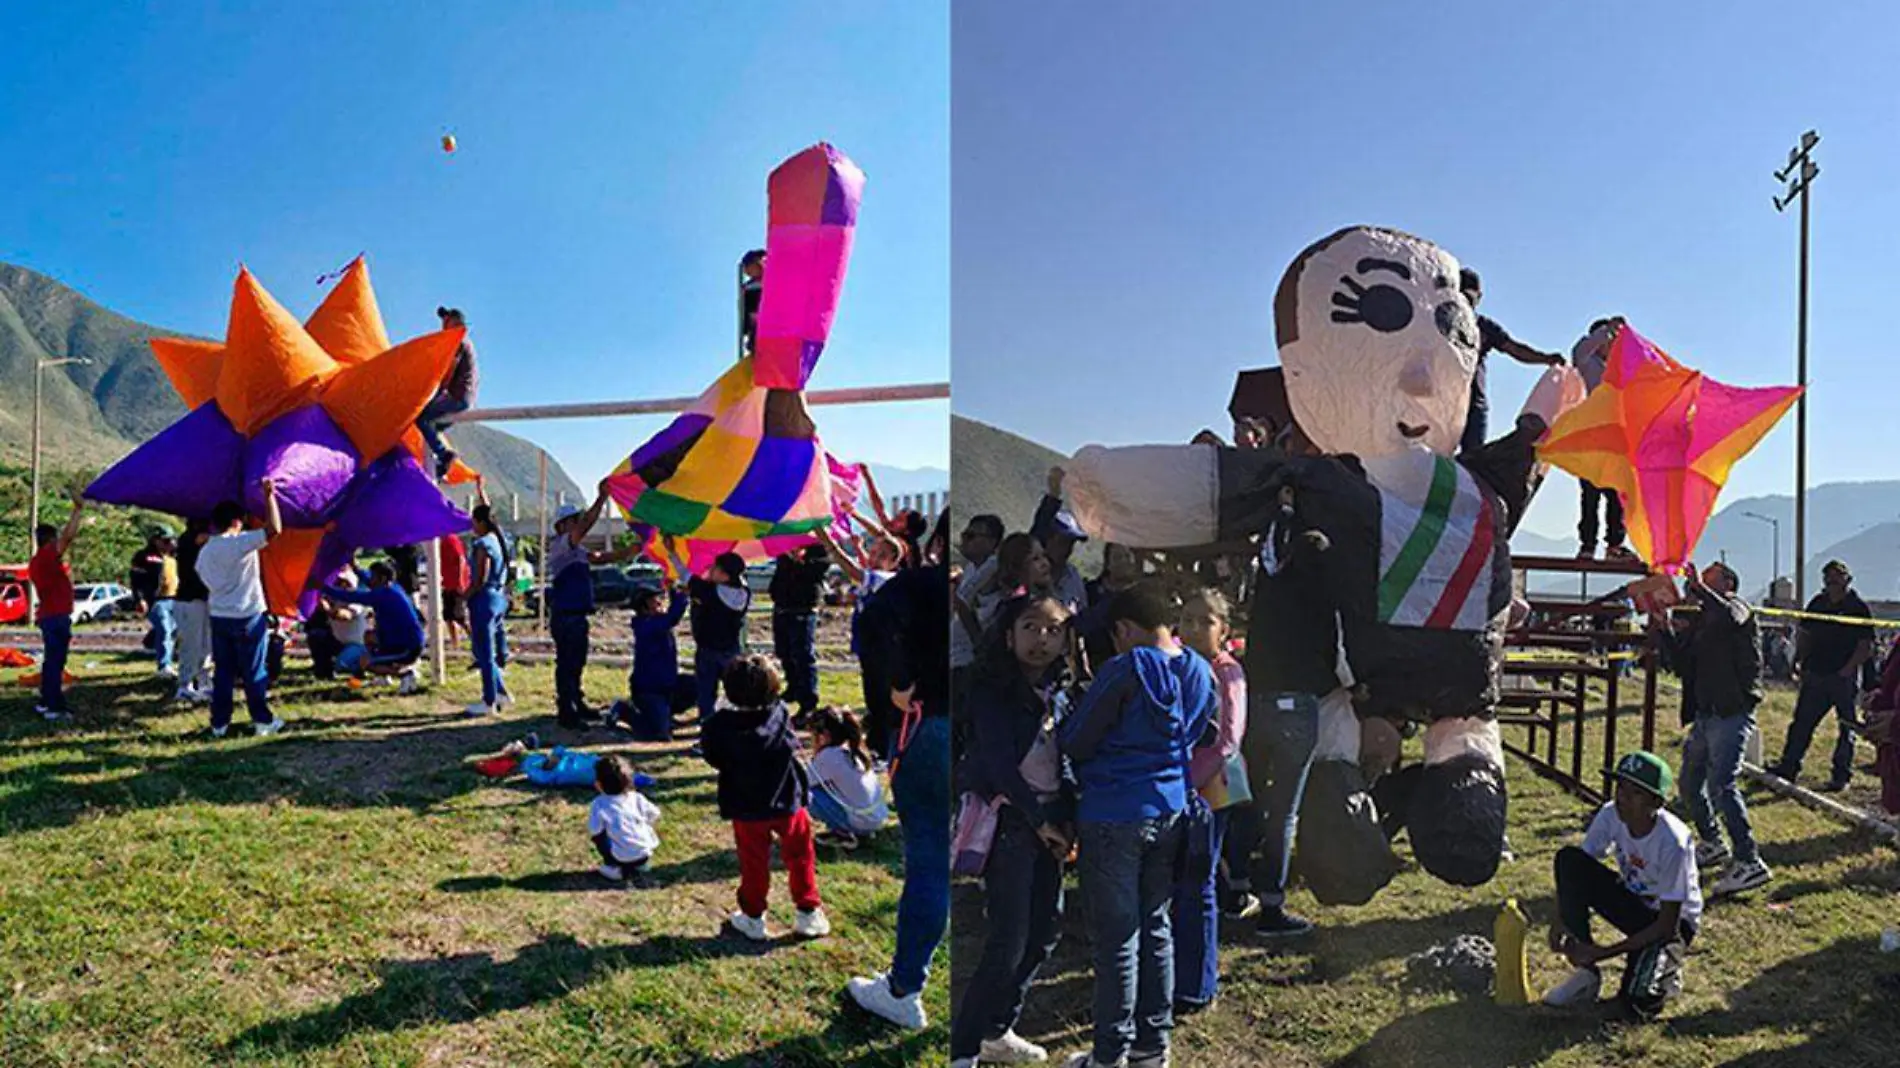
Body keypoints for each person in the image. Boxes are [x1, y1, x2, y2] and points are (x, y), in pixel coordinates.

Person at [1058, 583, 1216, 1068]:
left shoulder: (1124, 669)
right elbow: (1194, 733)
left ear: (1125, 629)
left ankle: (1109, 1054)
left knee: (1116, 940)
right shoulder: (1201, 670)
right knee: (1156, 926)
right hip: (1170, 809)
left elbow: (1078, 739)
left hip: (1113, 812)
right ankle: (1153, 1046)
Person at [949, 593, 1075, 1068]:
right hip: (1012, 824)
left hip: (1052, 824)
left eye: (1053, 629)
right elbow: (1001, 765)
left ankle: (997, 1029)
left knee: (1045, 930)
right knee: (1008, 940)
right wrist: (1040, 822)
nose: (1041, 639)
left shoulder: (1063, 689)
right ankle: (962, 1049)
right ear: (1008, 635)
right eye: (1030, 627)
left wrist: (1064, 821)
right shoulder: (992, 690)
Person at [846, 514, 952, 1032]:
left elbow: (873, 621)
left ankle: (904, 988)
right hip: (987, 740)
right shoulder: (1001, 591)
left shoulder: (919, 584)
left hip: (927, 728)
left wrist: (900, 683)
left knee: (930, 859)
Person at [1543, 751, 1703, 1020]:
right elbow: (1579, 869)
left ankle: (1665, 970)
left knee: (1636, 1007)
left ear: (1656, 802)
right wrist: (1561, 919)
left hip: (1672, 923)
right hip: (1636, 902)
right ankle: (1586, 975)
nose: (1622, 799)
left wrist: (1604, 952)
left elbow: (1667, 926)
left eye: (1635, 793)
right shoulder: (1610, 815)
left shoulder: (1673, 842)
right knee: (1569, 860)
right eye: (1620, 788)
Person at [700, 654, 829, 941]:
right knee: (800, 856)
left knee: (753, 863)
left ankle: (753, 916)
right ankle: (808, 912)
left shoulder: (718, 725)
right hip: (787, 800)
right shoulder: (780, 713)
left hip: (746, 805)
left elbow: (712, 755)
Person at [1659, 562, 1770, 897]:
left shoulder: (1739, 608)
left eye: (1710, 579)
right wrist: (1663, 627)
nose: (1700, 585)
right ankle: (1712, 841)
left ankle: (1750, 861)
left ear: (1728, 584)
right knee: (1690, 784)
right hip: (1706, 714)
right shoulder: (1702, 622)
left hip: (1731, 711)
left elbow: (1730, 617)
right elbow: (1679, 664)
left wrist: (1700, 590)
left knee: (1722, 784)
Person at [1172, 589, 1247, 1014]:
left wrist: (1186, 784)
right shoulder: (1176, 665)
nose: (1196, 628)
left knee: (1199, 883)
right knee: (1179, 879)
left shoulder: (1227, 672)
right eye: (1188, 619)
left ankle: (1197, 986)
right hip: (1176, 787)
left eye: (1206, 621)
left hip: (1212, 787)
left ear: (1224, 629)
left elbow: (1228, 739)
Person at [1772, 559, 1876, 791]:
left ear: (1847, 580)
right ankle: (1789, 767)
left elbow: (1866, 646)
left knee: (1846, 728)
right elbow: (1805, 634)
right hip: (1816, 674)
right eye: (1829, 578)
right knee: (1802, 724)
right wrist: (1798, 660)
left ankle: (1841, 776)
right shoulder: (1817, 603)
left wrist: (1847, 670)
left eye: (1837, 578)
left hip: (1843, 678)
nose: (1832, 583)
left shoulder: (1858, 607)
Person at [196, 480, 288, 738]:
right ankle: (262, 720)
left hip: (219, 617)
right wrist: (270, 496)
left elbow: (205, 580)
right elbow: (274, 530)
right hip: (248, 616)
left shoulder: (205, 552)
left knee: (223, 673)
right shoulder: (239, 543)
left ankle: (219, 724)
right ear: (237, 521)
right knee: (253, 671)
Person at [546, 481, 633, 730]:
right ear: (562, 526)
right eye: (573, 520)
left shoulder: (576, 550)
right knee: (567, 663)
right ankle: (567, 710)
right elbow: (585, 526)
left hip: (575, 616)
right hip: (566, 616)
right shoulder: (562, 545)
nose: (577, 523)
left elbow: (602, 558)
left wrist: (631, 550)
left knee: (576, 662)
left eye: (576, 519)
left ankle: (576, 702)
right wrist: (601, 499)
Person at [1458, 267, 1565, 457]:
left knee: (1471, 458)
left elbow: (1514, 349)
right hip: (1444, 400)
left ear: (1479, 297)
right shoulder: (1434, 320)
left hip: (1474, 404)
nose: (1466, 301)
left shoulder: (1484, 326)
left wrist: (1546, 358)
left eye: (1470, 296)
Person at [819, 526, 903, 758]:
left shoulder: (885, 578)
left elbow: (856, 573)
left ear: (893, 562)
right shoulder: (872, 580)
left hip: (882, 649)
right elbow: (852, 595)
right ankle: (878, 746)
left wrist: (829, 542)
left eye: (881, 555)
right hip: (869, 648)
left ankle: (884, 748)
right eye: (872, 553)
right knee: (874, 700)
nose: (874, 559)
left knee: (882, 702)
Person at [1570, 317, 1634, 559]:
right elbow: (1581, 348)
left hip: (1615, 438)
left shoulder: (1619, 369)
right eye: (1609, 340)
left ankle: (1614, 545)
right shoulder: (1587, 363)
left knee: (1617, 492)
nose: (1611, 344)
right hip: (1590, 437)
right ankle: (1587, 546)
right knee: (1590, 493)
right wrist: (1609, 329)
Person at [28, 490, 86, 721]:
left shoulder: (37, 561)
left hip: (50, 615)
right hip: (56, 616)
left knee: (52, 660)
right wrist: (77, 510)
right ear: (50, 540)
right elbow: (68, 537)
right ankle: (54, 706)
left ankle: (45, 700)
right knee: (55, 661)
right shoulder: (46, 556)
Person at [322, 562, 424, 692]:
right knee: (369, 637)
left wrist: (322, 588)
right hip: (398, 640)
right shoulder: (392, 588)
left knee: (366, 662)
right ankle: (384, 676)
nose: (370, 579)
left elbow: (351, 596)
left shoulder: (382, 595)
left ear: (382, 579)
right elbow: (367, 580)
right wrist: (355, 567)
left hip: (407, 646)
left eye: (373, 576)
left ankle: (406, 674)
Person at [804, 705, 889, 849]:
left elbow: (803, 782)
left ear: (824, 736)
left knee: (807, 796)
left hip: (862, 821)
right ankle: (850, 829)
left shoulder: (829, 756)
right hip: (876, 817)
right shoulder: (853, 750)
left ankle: (843, 833)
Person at [688, 551, 753, 730]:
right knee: (736, 691)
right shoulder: (744, 593)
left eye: (715, 568)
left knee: (706, 692)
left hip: (708, 648)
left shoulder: (710, 591)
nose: (711, 570)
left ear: (724, 575)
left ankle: (708, 728)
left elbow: (688, 578)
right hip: (732, 648)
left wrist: (672, 554)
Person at [770, 543, 832, 719]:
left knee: (803, 656)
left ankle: (808, 702)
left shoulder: (818, 551)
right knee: (784, 652)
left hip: (803, 608)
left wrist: (800, 561)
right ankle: (793, 687)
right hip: (782, 605)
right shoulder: (784, 546)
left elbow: (816, 572)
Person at [465, 499, 515, 718]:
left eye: (474, 522)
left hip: (484, 600)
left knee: (484, 653)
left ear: (481, 522)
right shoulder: (500, 541)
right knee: (489, 653)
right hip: (498, 598)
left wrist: (463, 597)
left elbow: (479, 579)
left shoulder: (482, 544)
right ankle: (501, 692)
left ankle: (489, 701)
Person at [625, 580, 690, 741]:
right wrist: (680, 594)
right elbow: (673, 617)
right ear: (644, 605)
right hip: (649, 690)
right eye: (655, 600)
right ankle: (624, 711)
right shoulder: (645, 626)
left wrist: (674, 590)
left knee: (696, 686)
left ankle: (666, 714)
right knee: (659, 734)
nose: (660, 602)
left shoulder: (656, 621)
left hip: (668, 685)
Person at [418, 306, 478, 478]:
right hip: (465, 398)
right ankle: (441, 467)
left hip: (459, 398)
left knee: (421, 417)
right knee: (433, 427)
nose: (443, 326)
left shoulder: (459, 341)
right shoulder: (465, 342)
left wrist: (435, 394)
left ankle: (445, 455)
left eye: (446, 321)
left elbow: (449, 371)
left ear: (456, 323)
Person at [589, 754, 661, 886]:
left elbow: (595, 831)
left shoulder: (599, 804)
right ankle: (642, 865)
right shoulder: (637, 798)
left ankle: (614, 867)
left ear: (598, 785)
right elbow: (655, 814)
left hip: (620, 856)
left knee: (599, 836)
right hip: (645, 851)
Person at [1031, 468, 1090, 613]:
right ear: (1048, 539)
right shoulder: (1028, 573)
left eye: (1071, 543)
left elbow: (1082, 611)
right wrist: (1054, 494)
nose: (1067, 549)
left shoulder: (1072, 576)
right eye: (1062, 542)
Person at [172, 518, 213, 704]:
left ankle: (204, 682)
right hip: (189, 600)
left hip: (204, 599)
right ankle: (184, 686)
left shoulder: (202, 541)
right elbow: (201, 539)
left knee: (206, 645)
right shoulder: (187, 540)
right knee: (191, 645)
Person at [129, 528, 179, 679]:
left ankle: (155, 647)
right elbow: (135, 581)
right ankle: (164, 666)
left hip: (176, 598)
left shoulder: (174, 555)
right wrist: (140, 599)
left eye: (171, 540)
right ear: (155, 540)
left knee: (172, 631)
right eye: (165, 540)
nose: (170, 543)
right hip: (156, 600)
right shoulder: (143, 557)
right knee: (164, 629)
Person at [438, 530, 470, 647]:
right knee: (448, 616)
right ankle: (455, 644)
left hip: (455, 583)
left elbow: (460, 559)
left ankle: (475, 640)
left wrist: (460, 581)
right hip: (447, 583)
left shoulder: (450, 539)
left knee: (460, 617)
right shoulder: (440, 541)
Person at [739, 249, 765, 355]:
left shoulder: (771, 278)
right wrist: (744, 329)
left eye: (749, 268)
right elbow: (746, 308)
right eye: (746, 270)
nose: (747, 272)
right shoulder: (748, 287)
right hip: (756, 319)